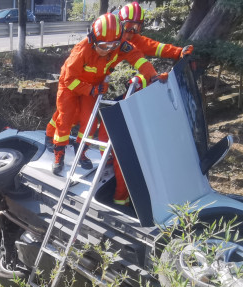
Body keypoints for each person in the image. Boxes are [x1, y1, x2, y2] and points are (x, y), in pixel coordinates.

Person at [46, 13, 164, 205]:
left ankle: (81, 152)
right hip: (70, 87)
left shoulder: (119, 46)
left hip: (92, 89)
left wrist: (152, 76)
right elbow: (69, 79)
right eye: (103, 46)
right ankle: (58, 156)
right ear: (93, 40)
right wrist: (91, 89)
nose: (107, 50)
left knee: (90, 123)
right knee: (65, 120)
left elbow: (138, 58)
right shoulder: (81, 50)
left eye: (112, 46)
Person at [117, 2, 193, 62]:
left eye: (136, 27)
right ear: (120, 23)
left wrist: (178, 52)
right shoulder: (109, 35)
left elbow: (156, 47)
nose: (132, 31)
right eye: (129, 26)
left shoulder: (136, 40)